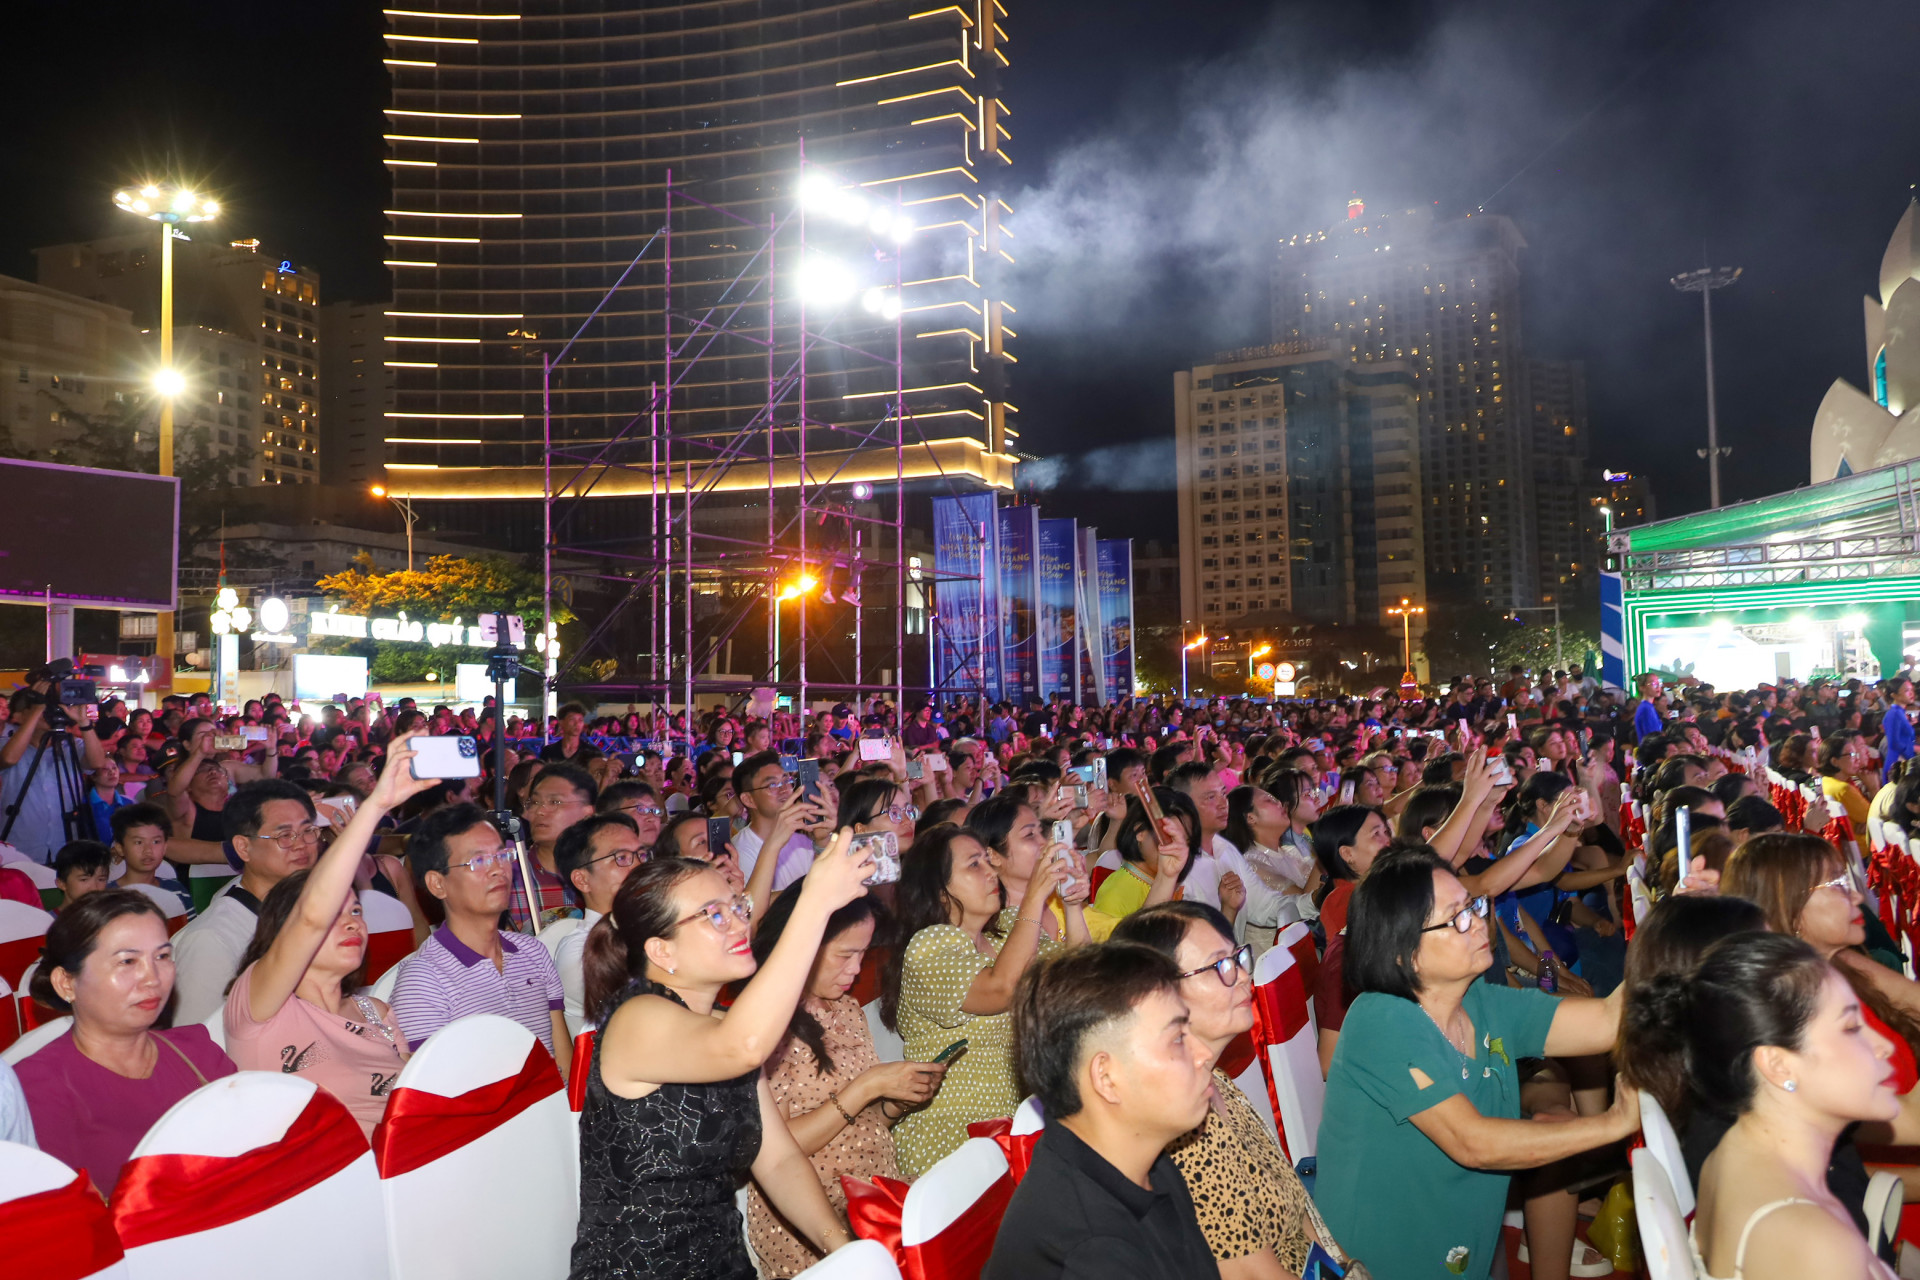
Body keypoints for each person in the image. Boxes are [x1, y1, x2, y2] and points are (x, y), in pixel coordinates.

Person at [1314, 847, 1638, 1280]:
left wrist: (1682, 929)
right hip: (1384, 1267)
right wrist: (1615, 1122)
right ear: (1403, 951)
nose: (1480, 923)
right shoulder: (1380, 1019)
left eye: (1474, 906)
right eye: (1457, 918)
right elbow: (1474, 1143)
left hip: (1461, 1256)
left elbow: (1606, 1021)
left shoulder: (1481, 1002)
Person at [570, 844, 875, 1279]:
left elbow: (779, 1160)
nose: (738, 923)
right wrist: (815, 901)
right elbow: (745, 1045)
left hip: (721, 1262)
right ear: (662, 952)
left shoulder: (719, 1027)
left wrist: (844, 1251)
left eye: (737, 906)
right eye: (713, 915)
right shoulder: (635, 1020)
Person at [1626, 932, 1900, 1280]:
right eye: (1851, 1027)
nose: (1883, 1047)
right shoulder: (1818, 1246)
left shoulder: (1735, 1149)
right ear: (1779, 1065)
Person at [1111, 902, 1351, 1278]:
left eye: (1238, 957)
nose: (1242, 976)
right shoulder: (1182, 1127)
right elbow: (1251, 1274)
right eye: (1220, 965)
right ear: (1154, 995)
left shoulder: (1212, 1079)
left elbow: (1298, 1212)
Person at [221, 736, 435, 1134]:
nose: (352, 922)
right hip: (319, 1183)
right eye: (333, 915)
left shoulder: (378, 1013)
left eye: (355, 910)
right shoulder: (260, 1007)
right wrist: (374, 807)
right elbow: (309, 917)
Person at [983, 944, 1217, 1280]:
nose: (1203, 1053)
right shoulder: (1090, 1251)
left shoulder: (1148, 1164)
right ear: (1106, 1078)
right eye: (1178, 1038)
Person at [744, 890, 947, 1276]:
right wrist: (868, 1086)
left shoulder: (846, 1009)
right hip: (810, 1210)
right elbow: (775, 1150)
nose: (855, 970)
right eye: (844, 955)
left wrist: (894, 1102)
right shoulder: (769, 1025)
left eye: (862, 955)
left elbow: (859, 1128)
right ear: (801, 944)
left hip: (873, 1185)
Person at [880, 823, 1071, 1178]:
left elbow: (1078, 978)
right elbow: (1001, 990)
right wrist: (1034, 897)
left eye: (988, 860)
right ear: (939, 892)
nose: (990, 871)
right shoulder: (928, 948)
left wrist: (1072, 905)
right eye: (974, 865)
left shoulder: (1006, 935)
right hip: (954, 1134)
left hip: (1018, 1126)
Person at [16, 890, 237, 1192]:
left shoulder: (199, 1053)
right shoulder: (37, 1089)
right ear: (66, 982)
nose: (152, 978)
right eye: (128, 961)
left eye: (162, 956)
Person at [391, 803, 573, 1075]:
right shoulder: (424, 981)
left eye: (502, 855)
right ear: (437, 884)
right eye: (479, 861)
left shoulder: (533, 951)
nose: (498, 869)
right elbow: (432, 1095)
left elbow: (564, 1063)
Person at [170, 779, 322, 1024]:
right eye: (284, 835)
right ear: (243, 847)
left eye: (308, 831)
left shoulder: (316, 909)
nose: (301, 844)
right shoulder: (213, 939)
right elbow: (198, 1041)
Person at [545, 813, 646, 1036]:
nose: (638, 866)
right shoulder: (582, 951)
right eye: (621, 858)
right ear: (582, 880)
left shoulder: (648, 926)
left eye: (641, 855)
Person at [966, 791, 1105, 941]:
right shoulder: (992, 927)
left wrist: (1072, 904)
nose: (1043, 843)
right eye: (1029, 835)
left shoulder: (1055, 898)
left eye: (1039, 831)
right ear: (993, 855)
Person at [0, 682, 111, 861]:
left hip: (66, 846)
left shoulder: (71, 746)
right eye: (39, 708)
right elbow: (8, 759)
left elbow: (97, 763)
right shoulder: (4, 745)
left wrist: (84, 722)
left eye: (48, 707)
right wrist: (37, 710)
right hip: (20, 848)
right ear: (18, 716)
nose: (47, 712)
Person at [515, 763, 599, 930]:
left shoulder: (603, 872)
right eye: (535, 802)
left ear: (587, 813)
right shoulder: (510, 871)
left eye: (554, 801)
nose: (540, 811)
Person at [733, 750, 829, 895]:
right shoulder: (739, 850)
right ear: (748, 799)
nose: (785, 789)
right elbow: (754, 907)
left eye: (787, 781)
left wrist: (823, 840)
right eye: (772, 785)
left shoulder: (803, 840)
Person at [1312, 803, 1394, 938]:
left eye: (1386, 832)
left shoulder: (1376, 884)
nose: (1388, 841)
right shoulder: (1346, 904)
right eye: (1376, 834)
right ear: (1347, 854)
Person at [108, 803, 193, 917]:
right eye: (139, 842)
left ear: (165, 847)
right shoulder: (107, 898)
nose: (148, 850)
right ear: (120, 848)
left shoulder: (177, 891)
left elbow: (190, 933)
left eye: (156, 842)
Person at [53, 839, 111, 906]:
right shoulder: (47, 916)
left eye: (101, 879)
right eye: (84, 880)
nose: (94, 888)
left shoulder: (114, 915)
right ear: (62, 884)